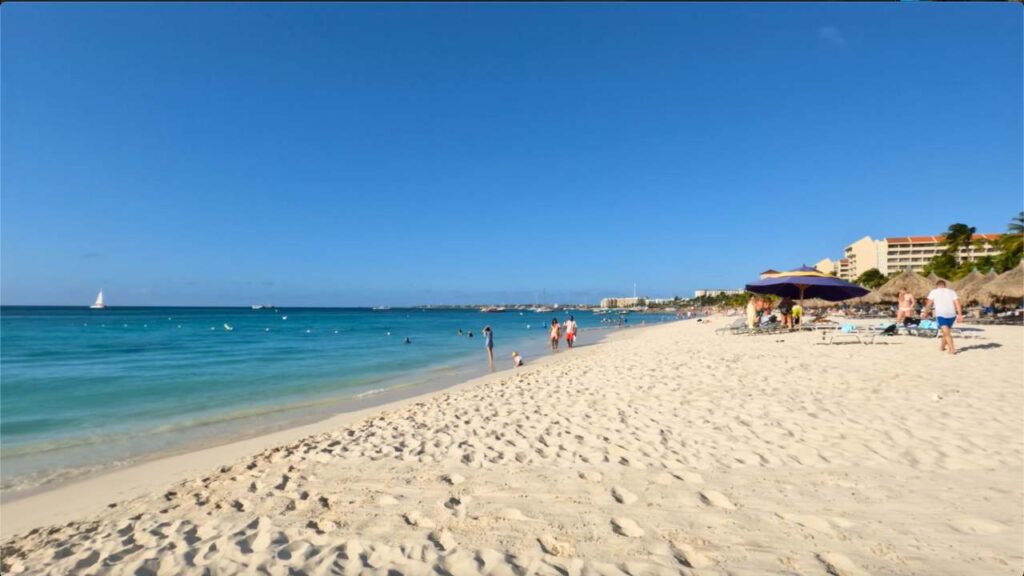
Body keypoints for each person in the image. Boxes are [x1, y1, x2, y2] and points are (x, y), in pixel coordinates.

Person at [923, 280, 963, 356]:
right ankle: (942, 347)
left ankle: (952, 349)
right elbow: (957, 303)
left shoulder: (934, 292)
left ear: (937, 286)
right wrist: (960, 314)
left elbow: (929, 304)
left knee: (946, 333)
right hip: (952, 314)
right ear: (944, 285)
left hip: (941, 314)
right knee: (946, 332)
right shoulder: (952, 291)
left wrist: (925, 313)